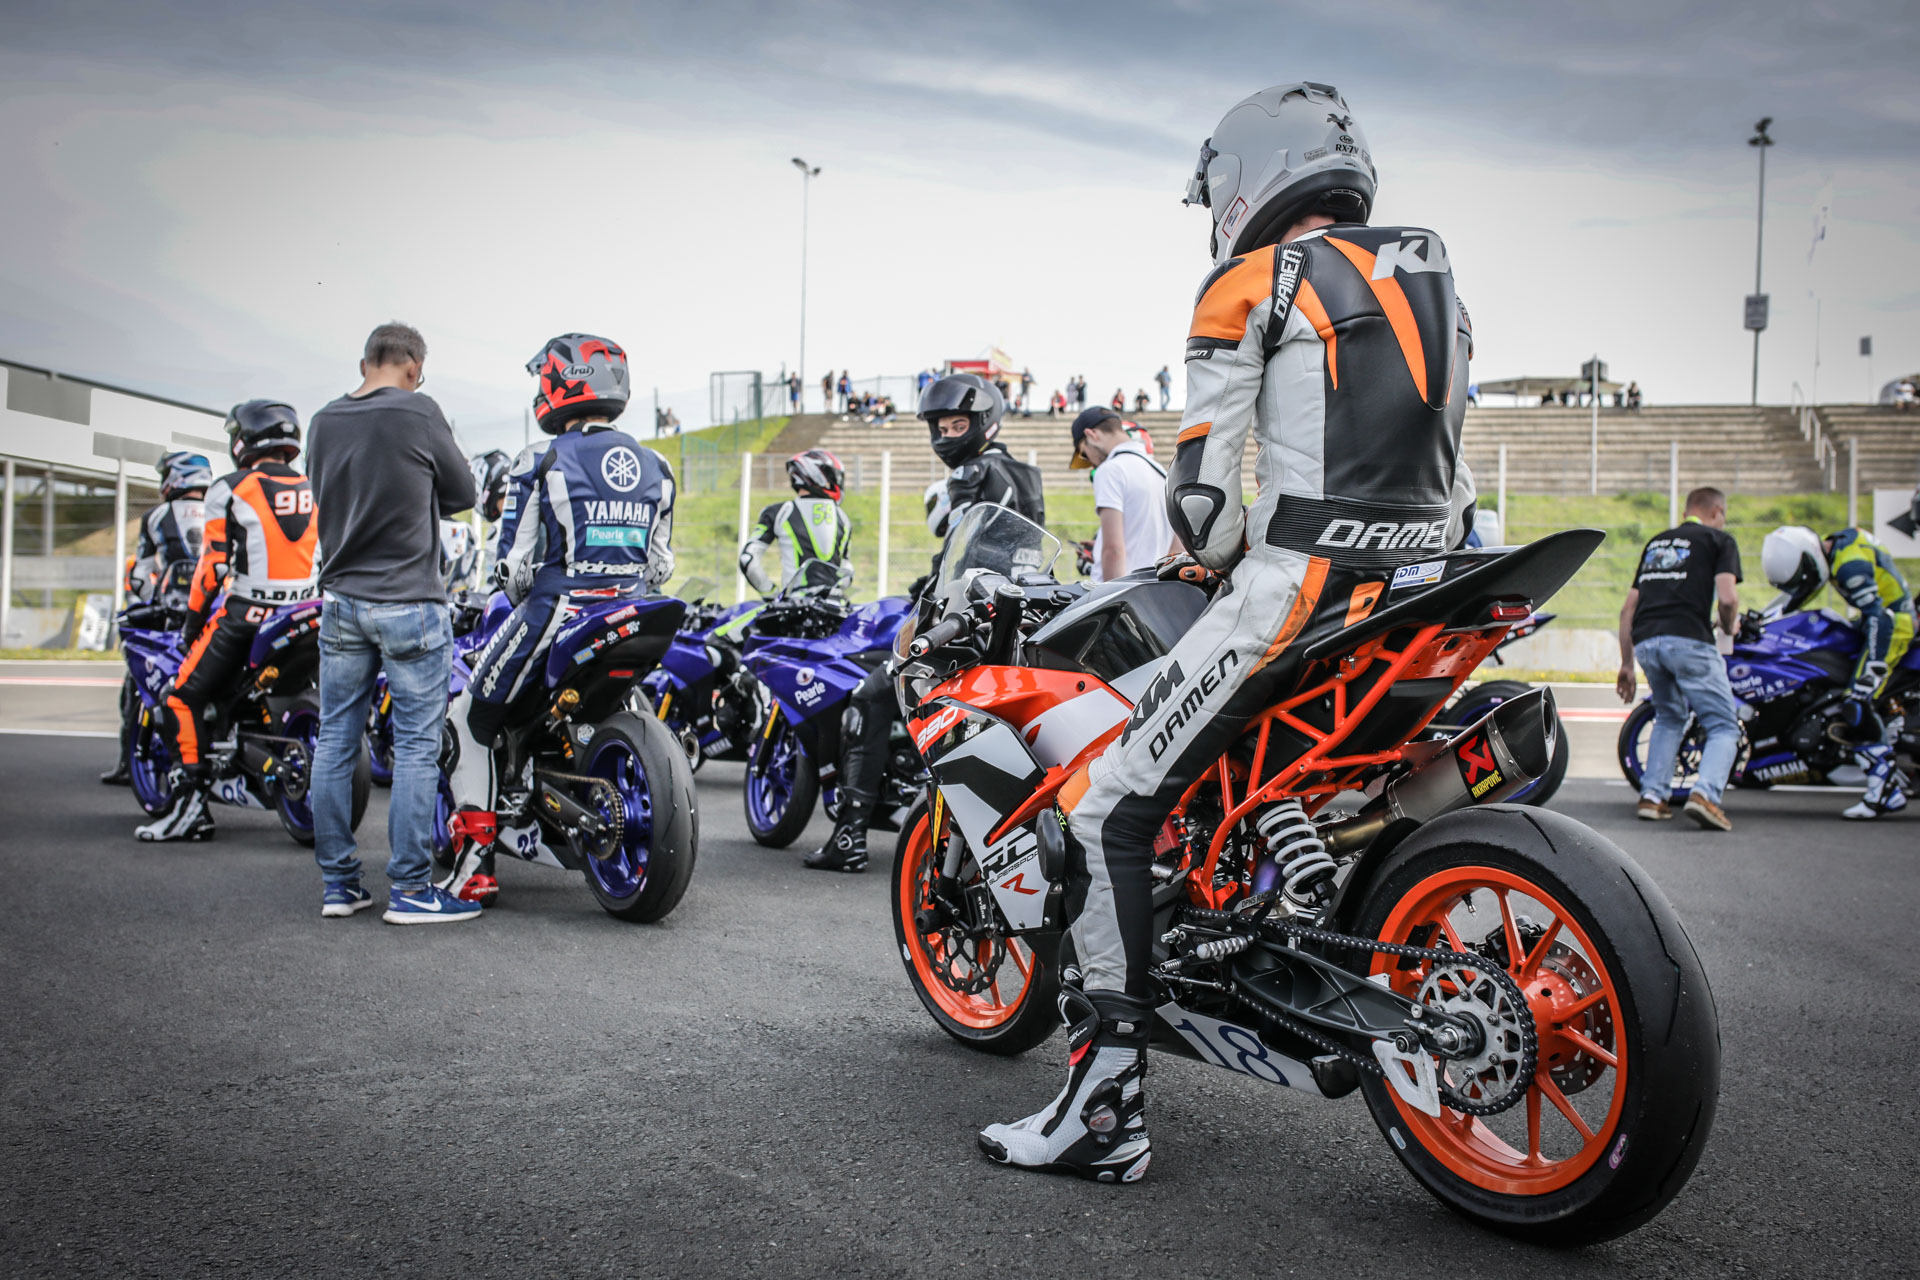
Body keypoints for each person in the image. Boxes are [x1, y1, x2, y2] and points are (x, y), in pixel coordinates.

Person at [979, 82, 1476, 1183]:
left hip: (1299, 590)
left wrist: (1214, 552)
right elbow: (1453, 468)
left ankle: (1104, 1112)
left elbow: (1203, 501)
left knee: (1105, 811)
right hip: (1423, 583)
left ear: (1248, 175)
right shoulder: (1434, 273)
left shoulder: (1251, 279)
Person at [440, 334, 676, 902]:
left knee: (467, 720)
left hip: (556, 611)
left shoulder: (539, 458)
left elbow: (513, 569)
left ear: (561, 384)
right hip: (632, 609)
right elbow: (661, 564)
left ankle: (474, 868)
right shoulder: (658, 465)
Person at [806, 373, 1044, 874]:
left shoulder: (972, 473)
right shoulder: (1025, 473)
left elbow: (961, 555)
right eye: (941, 426)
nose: (947, 435)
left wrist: (929, 600)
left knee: (870, 696)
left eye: (958, 425)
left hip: (966, 623)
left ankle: (850, 836)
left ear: (984, 422)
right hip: (1015, 620)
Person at [305, 322, 479, 923]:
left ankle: (339, 885)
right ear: (413, 368)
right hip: (410, 603)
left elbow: (328, 491)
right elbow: (464, 493)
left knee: (335, 739)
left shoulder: (322, 421)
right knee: (415, 748)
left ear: (364, 364)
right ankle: (410, 889)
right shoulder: (420, 411)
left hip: (341, 603)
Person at [135, 402, 318, 843]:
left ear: (244, 439)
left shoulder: (230, 488)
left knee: (180, 697)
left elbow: (211, 569)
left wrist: (192, 625)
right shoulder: (317, 486)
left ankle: (189, 809)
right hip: (308, 614)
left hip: (246, 616)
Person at [1762, 524, 1914, 818]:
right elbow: (1801, 595)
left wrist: (1870, 673)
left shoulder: (1849, 565)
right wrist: (1763, 620)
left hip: (1892, 627)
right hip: (1876, 621)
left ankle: (1884, 790)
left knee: (1856, 702)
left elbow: (1880, 618)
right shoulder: (1834, 549)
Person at [1615, 487, 1742, 830]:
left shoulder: (1657, 543)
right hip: (1689, 640)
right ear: (1717, 511)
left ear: (1687, 512)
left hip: (1647, 643)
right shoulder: (1719, 540)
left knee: (1670, 717)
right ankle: (1705, 795)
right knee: (1723, 725)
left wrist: (1626, 664)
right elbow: (1728, 600)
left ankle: (1652, 797)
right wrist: (1728, 626)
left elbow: (1628, 609)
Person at [103, 450, 212, 785]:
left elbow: (139, 576)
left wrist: (154, 601)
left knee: (139, 684)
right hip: (217, 613)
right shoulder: (222, 508)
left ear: (174, 477)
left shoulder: (156, 516)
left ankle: (129, 764)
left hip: (172, 617)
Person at [1070, 407, 1174, 582]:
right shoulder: (1161, 473)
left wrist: (1112, 595)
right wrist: (1099, 549)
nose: (1091, 463)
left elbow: (1113, 550)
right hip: (1153, 589)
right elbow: (1174, 548)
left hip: (1122, 592)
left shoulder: (1111, 470)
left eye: (1084, 454)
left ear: (1091, 435)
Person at [741, 448, 853, 595]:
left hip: (794, 604)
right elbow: (847, 571)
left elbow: (748, 560)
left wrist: (772, 594)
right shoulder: (843, 518)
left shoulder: (781, 512)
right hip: (835, 603)